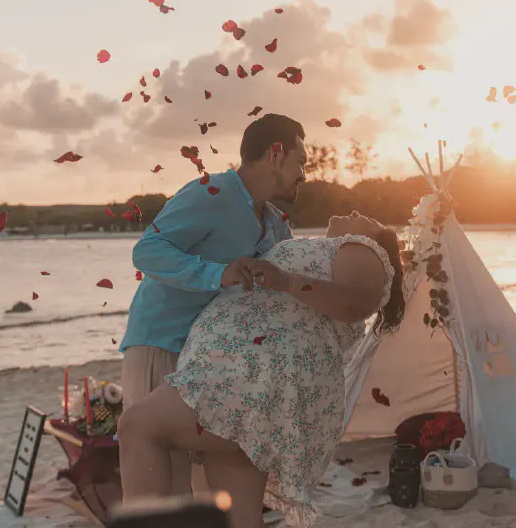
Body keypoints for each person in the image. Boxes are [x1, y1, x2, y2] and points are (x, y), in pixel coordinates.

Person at [118, 211, 406, 528]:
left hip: (258, 379)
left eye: (371, 220)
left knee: (139, 426)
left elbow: (357, 303)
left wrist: (286, 281)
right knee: (238, 517)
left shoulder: (360, 247)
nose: (354, 213)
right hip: (259, 379)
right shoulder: (325, 253)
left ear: (378, 242)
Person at [118, 114, 308, 498]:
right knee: (166, 490)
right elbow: (147, 251)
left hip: (217, 360)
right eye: (301, 161)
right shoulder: (211, 193)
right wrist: (218, 273)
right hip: (163, 343)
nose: (305, 173)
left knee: (212, 490)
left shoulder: (277, 225)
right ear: (275, 153)